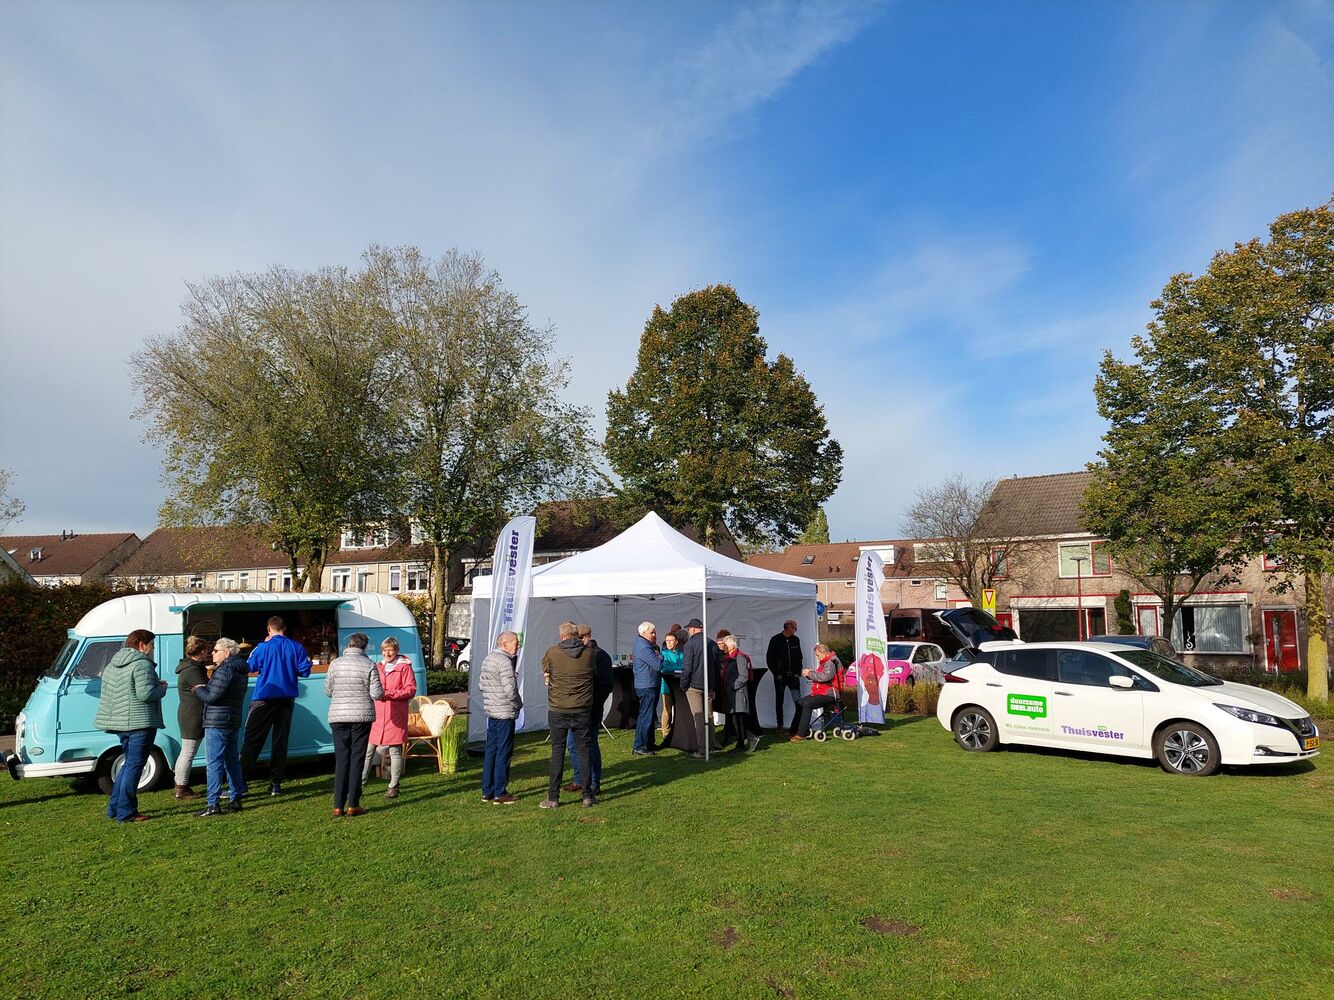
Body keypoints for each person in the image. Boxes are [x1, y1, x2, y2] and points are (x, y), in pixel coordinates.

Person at [93, 629, 166, 823]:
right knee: (134, 767)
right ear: (142, 645)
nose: (152, 649)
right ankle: (127, 812)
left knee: (128, 765)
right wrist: (161, 689)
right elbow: (146, 694)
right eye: (151, 645)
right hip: (140, 723)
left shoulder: (112, 665)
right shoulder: (142, 664)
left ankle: (114, 808)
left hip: (120, 723)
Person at [241, 615, 312, 796]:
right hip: (286, 699)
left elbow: (249, 666)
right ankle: (275, 783)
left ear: (268, 629)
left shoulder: (262, 647)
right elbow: (305, 670)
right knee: (280, 741)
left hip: (264, 697)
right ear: (284, 628)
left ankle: (240, 781)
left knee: (252, 740)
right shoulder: (296, 647)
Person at [325, 632, 384, 817]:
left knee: (342, 759)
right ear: (364, 647)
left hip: (338, 716)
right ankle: (353, 804)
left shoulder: (335, 664)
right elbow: (376, 694)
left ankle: (337, 805)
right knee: (357, 758)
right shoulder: (369, 665)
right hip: (361, 716)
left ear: (349, 645)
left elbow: (328, 691)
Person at [540, 621, 595, 809]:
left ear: (562, 636)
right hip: (582, 708)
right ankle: (587, 796)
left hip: (559, 708)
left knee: (557, 751)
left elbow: (545, 670)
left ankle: (553, 797)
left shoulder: (552, 653)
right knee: (583, 751)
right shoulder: (589, 653)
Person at [193, 638, 250, 817]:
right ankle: (235, 799)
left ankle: (213, 804)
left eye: (216, 650)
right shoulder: (240, 669)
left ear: (226, 653)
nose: (212, 653)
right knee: (232, 760)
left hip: (217, 721)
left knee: (214, 762)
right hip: (232, 720)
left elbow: (212, 697)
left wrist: (198, 689)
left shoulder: (225, 670)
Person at [362, 637, 417, 800]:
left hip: (396, 715)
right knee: (368, 750)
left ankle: (393, 785)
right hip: (378, 715)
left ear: (396, 650)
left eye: (390, 650)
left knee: (395, 751)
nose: (387, 653)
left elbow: (410, 690)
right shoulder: (377, 667)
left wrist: (388, 694)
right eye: (385, 650)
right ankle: (360, 784)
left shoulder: (405, 667)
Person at [566, 624, 615, 793]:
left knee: (590, 745)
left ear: (588, 636)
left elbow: (606, 686)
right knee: (572, 745)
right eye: (576, 638)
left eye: (580, 638)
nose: (578, 641)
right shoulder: (576, 655)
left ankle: (594, 783)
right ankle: (579, 779)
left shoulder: (600, 656)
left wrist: (593, 703)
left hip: (591, 709)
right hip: (575, 709)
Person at [478, 631, 522, 805]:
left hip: (492, 711)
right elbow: (510, 689)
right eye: (515, 643)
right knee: (504, 752)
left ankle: (487, 790)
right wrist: (518, 704)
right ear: (504, 644)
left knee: (491, 751)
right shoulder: (504, 662)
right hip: (504, 712)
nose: (517, 646)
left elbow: (481, 685)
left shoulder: (488, 659)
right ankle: (500, 792)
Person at [172, 635, 211, 799]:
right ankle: (181, 787)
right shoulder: (193, 670)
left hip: (189, 713)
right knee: (188, 752)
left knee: (187, 751)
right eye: (206, 651)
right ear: (201, 652)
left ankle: (180, 784)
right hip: (193, 714)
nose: (208, 654)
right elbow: (206, 690)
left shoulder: (188, 668)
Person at [679, 618, 723, 758]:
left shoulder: (690, 644)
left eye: (689, 629)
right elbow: (717, 668)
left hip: (694, 686)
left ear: (693, 629)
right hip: (708, 685)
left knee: (699, 717)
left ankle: (703, 750)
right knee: (709, 716)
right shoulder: (712, 644)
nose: (688, 631)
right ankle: (711, 745)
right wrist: (714, 686)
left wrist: (683, 685)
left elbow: (687, 668)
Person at [789, 642, 842, 741]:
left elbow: (825, 677)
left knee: (807, 703)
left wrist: (809, 673)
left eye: (818, 655)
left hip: (830, 693)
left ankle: (801, 734)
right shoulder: (826, 661)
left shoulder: (831, 662)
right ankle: (793, 731)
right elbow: (820, 675)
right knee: (800, 703)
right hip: (821, 692)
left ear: (823, 653)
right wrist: (809, 674)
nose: (817, 658)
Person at [720, 635, 761, 752]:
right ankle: (745, 740)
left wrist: (733, 686)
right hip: (731, 693)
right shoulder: (729, 659)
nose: (723, 647)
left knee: (738, 718)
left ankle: (743, 742)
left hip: (738, 692)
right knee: (735, 719)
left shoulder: (739, 658)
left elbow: (743, 676)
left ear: (731, 646)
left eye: (725, 645)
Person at [630, 621, 662, 756]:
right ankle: (639, 745)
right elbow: (657, 665)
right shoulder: (644, 646)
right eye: (652, 632)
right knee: (646, 716)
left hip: (648, 683)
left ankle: (648, 743)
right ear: (643, 633)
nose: (654, 635)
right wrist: (660, 656)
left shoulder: (644, 644)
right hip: (647, 685)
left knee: (649, 715)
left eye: (655, 632)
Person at [766, 620, 803, 731]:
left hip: (793, 676)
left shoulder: (796, 640)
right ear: (788, 628)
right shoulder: (775, 639)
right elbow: (769, 658)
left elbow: (799, 657)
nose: (796, 630)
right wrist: (776, 674)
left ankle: (798, 725)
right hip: (780, 676)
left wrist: (797, 673)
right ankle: (780, 725)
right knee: (779, 701)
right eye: (794, 628)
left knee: (798, 700)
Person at [659, 630, 683, 737]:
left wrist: (675, 667)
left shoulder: (680, 653)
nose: (668, 643)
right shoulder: (663, 654)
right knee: (667, 710)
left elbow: (685, 665)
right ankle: (665, 732)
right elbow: (665, 667)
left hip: (678, 686)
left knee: (678, 709)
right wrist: (678, 668)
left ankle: (676, 730)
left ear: (676, 642)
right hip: (667, 685)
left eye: (671, 640)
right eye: (667, 640)